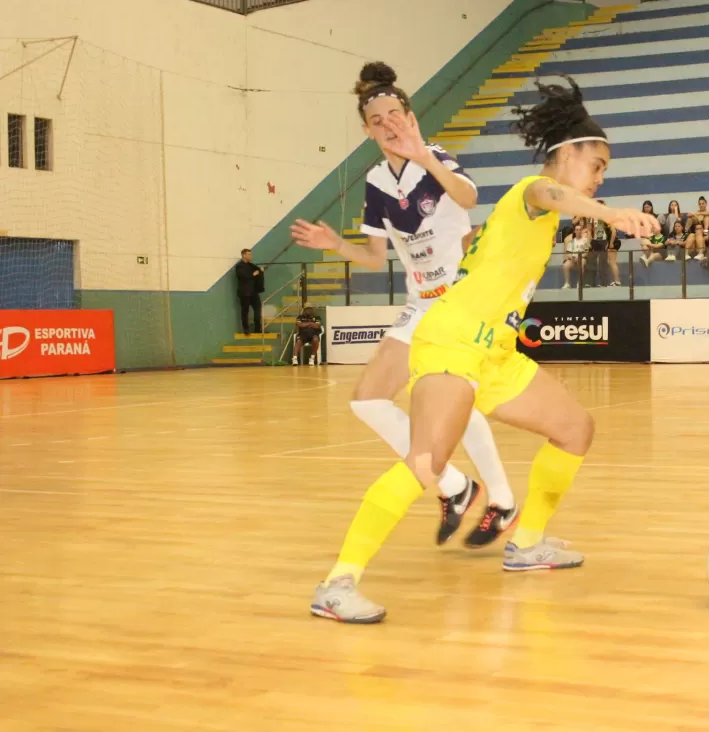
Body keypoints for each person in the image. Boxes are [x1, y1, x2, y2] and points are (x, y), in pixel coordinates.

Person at [302, 74, 657, 622]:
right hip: (453, 338)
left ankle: (526, 544)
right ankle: (337, 584)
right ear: (567, 155)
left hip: (494, 351)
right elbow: (549, 193)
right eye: (597, 165)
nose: (600, 177)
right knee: (427, 461)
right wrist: (610, 213)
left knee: (575, 429)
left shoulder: (544, 210)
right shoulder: (531, 192)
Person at [291, 62, 526, 622]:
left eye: (395, 114)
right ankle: (459, 486)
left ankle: (496, 497)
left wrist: (424, 156)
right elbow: (375, 257)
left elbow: (468, 197)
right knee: (368, 400)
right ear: (367, 130)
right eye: (377, 120)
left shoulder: (435, 157)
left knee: (456, 400)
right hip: (421, 304)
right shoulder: (376, 183)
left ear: (410, 116)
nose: (388, 124)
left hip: (462, 301)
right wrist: (334, 244)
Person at [234, 248, 264, 335]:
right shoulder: (239, 266)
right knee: (245, 311)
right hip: (245, 293)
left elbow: (258, 272)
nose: (251, 256)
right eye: (249, 254)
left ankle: (257, 329)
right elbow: (244, 276)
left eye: (251, 254)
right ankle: (246, 329)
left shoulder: (251, 266)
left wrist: (260, 271)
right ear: (244, 255)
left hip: (254, 292)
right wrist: (254, 274)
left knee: (258, 310)